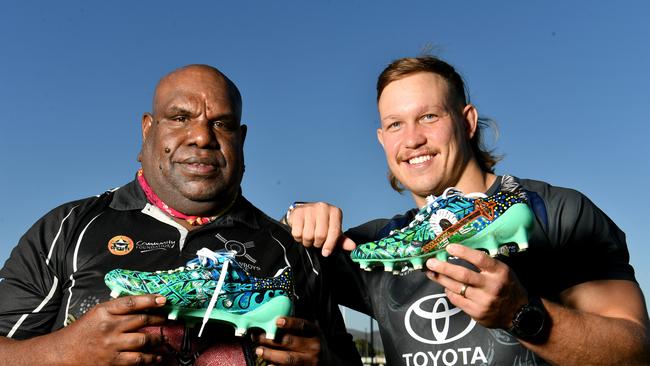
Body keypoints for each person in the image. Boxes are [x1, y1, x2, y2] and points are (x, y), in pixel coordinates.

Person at [284, 56, 650, 365]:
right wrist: (296, 218)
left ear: (467, 121)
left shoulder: (553, 211)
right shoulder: (379, 243)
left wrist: (520, 314)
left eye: (429, 117)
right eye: (395, 124)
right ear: (382, 139)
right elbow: (272, 266)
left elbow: (636, 351)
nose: (411, 139)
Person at [0, 65, 361, 366]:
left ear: (242, 139)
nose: (201, 136)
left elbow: (344, 359)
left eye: (222, 124)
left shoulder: (290, 249)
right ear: (147, 130)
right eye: (179, 117)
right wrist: (62, 351)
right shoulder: (69, 227)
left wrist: (325, 361)